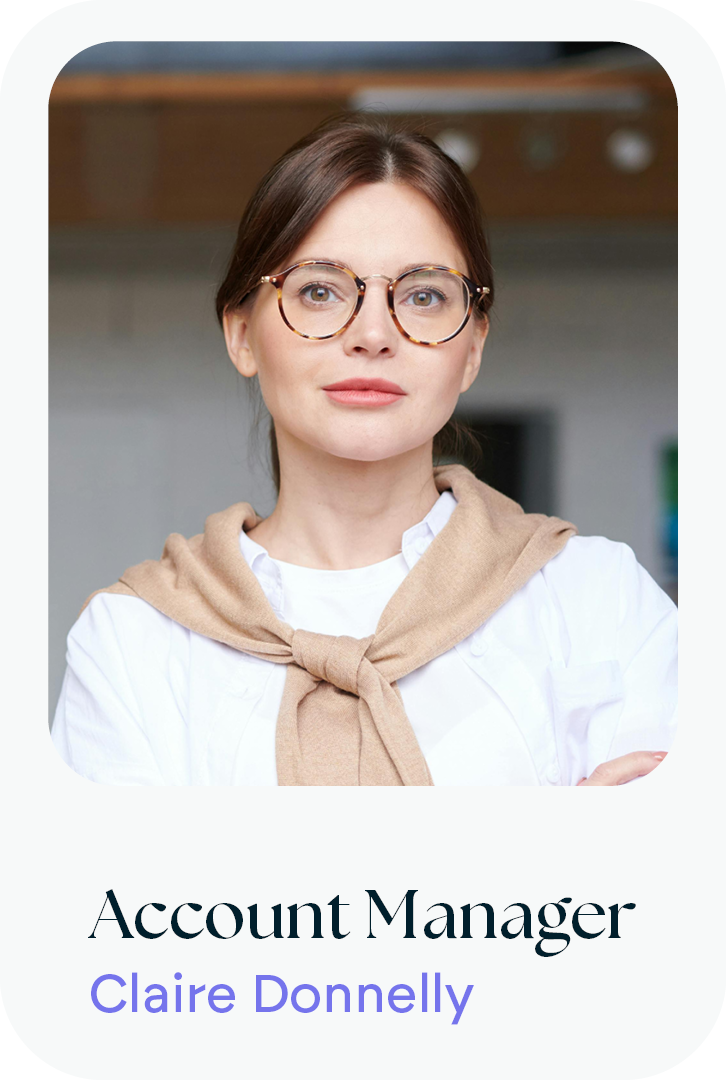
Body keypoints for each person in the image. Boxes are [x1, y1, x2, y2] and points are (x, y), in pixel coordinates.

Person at [51, 116, 677, 787]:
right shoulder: (130, 641)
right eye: (319, 290)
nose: (373, 333)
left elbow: (666, 882)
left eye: (425, 295)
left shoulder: (601, 600)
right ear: (241, 334)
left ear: (473, 348)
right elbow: (115, 893)